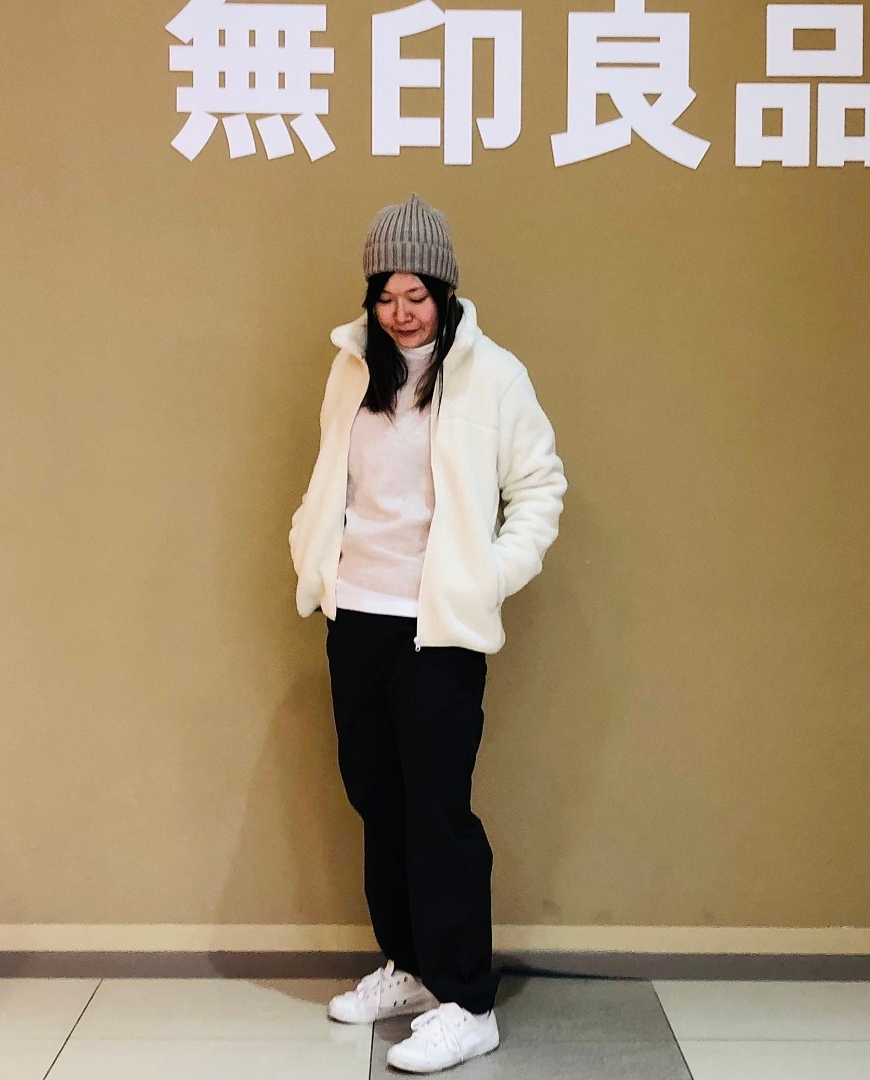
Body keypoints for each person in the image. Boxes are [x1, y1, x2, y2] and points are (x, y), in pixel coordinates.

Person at [288, 194, 566, 1073]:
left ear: (445, 292)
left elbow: (540, 490)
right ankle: (409, 968)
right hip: (356, 617)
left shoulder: (494, 376)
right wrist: (312, 551)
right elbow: (332, 478)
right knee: (378, 801)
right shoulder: (350, 371)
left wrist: (485, 578)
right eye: (386, 295)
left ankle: (468, 1002)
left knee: (438, 813)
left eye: (417, 294)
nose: (401, 312)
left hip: (437, 631)